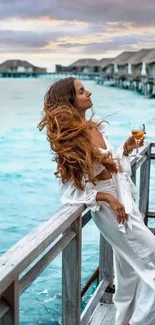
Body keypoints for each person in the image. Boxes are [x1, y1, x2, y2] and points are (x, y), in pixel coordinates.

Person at [38, 77, 155, 325]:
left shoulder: (94, 127)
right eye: (81, 91)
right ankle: (141, 321)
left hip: (124, 201)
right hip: (111, 211)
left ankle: (125, 319)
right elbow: (69, 191)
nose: (88, 92)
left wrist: (125, 148)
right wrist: (104, 196)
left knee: (129, 269)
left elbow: (112, 167)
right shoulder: (72, 140)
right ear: (70, 101)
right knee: (149, 260)